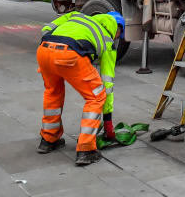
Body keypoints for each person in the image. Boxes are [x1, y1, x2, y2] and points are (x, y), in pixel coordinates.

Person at [36, 10, 125, 165]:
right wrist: (108, 120)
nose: (117, 38)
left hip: (44, 49)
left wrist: (50, 41)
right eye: (119, 35)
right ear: (117, 28)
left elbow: (47, 27)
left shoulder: (78, 16)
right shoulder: (107, 41)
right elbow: (107, 83)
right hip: (70, 54)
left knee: (53, 92)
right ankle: (86, 150)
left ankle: (48, 140)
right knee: (96, 96)